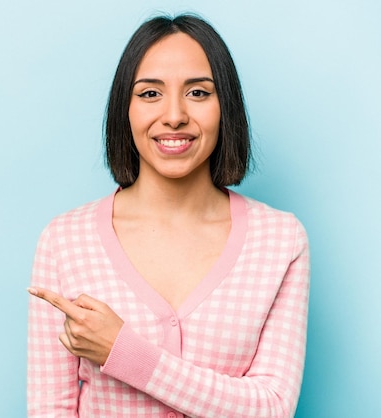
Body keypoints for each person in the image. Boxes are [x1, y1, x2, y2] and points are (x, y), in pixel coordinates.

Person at [27, 13, 309, 418]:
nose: (174, 115)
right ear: (124, 109)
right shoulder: (64, 241)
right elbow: (49, 409)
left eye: (198, 93)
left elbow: (272, 406)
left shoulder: (280, 241)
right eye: (149, 94)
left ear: (224, 106)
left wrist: (124, 353)